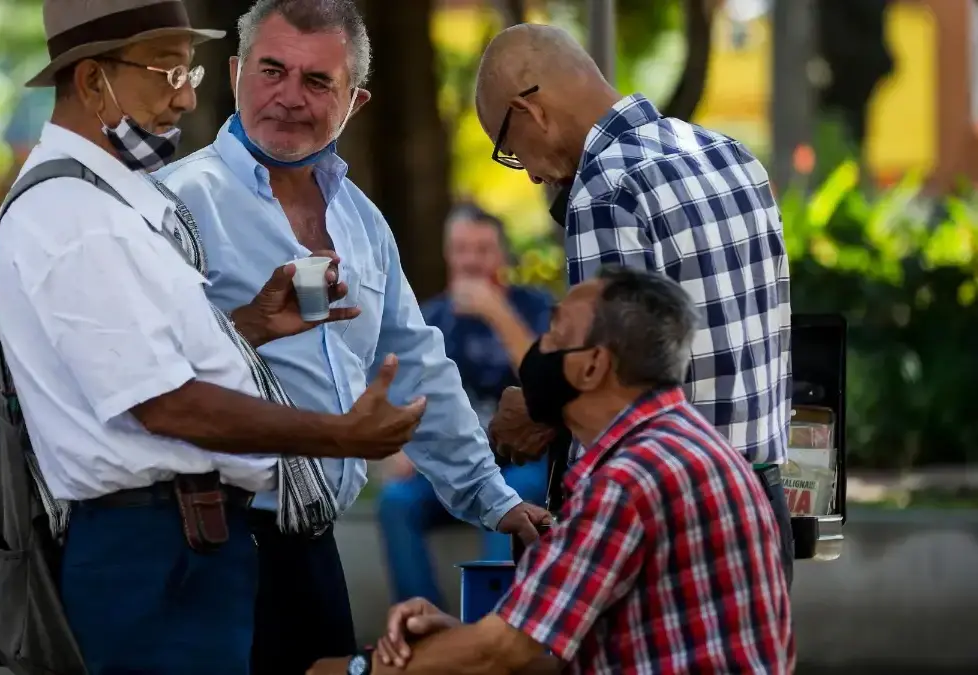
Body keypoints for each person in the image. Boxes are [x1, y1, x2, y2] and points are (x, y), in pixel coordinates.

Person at [0, 1, 425, 673]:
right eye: (166, 71)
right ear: (90, 82)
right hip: (152, 551)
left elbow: (146, 358)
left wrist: (250, 324)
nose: (188, 95)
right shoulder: (77, 217)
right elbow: (168, 403)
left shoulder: (113, 203)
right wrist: (341, 435)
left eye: (186, 69)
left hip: (183, 550)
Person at [154, 1, 551, 673]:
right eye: (272, 70)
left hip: (312, 549)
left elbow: (418, 366)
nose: (288, 96)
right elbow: (147, 378)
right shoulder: (176, 202)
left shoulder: (363, 222)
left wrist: (495, 499)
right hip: (203, 547)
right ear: (236, 70)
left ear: (354, 102)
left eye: (317, 82)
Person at [309, 267, 794, 675]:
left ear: (591, 367)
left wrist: (354, 668)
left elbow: (501, 652)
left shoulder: (629, 480)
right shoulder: (682, 442)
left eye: (556, 333)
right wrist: (459, 636)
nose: (538, 348)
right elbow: (547, 642)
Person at [473, 23, 796, 584]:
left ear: (531, 112)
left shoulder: (606, 191)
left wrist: (537, 408)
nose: (526, 172)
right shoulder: (730, 155)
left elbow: (602, 383)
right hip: (763, 503)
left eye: (507, 149)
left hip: (668, 516)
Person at [378, 203, 554, 606]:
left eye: (482, 249)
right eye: (461, 249)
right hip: (453, 463)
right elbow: (405, 395)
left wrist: (496, 312)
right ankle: (424, 626)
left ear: (503, 256)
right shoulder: (430, 317)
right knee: (396, 502)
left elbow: (546, 382)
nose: (471, 260)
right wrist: (404, 447)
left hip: (519, 460)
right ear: (447, 254)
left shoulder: (535, 307)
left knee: (510, 494)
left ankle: (488, 623)